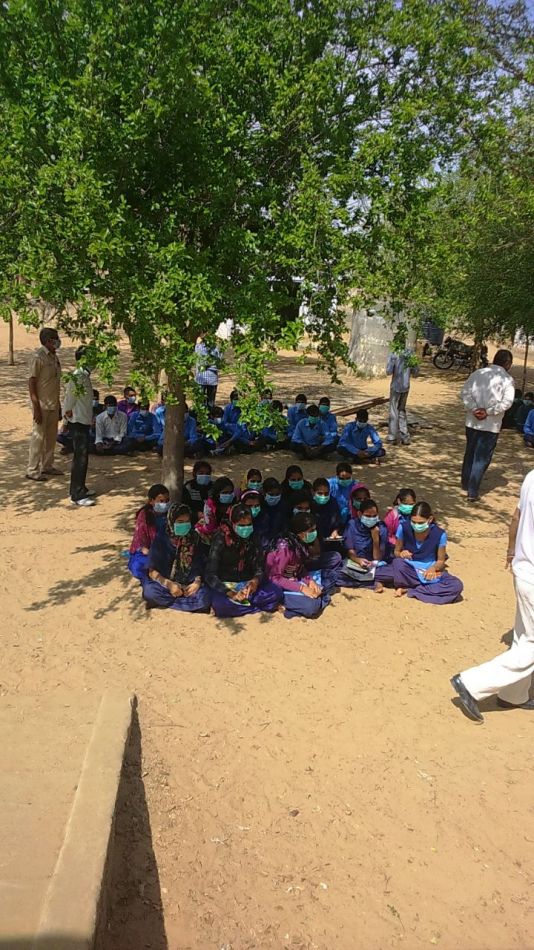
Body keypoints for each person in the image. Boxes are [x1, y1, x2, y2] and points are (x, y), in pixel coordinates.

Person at [451, 470, 534, 722]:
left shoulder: (531, 477)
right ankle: (471, 682)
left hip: (524, 570)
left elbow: (517, 516)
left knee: (524, 637)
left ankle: (514, 694)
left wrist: (511, 550)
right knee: (531, 644)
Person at [205, 504, 283, 618]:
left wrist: (255, 581)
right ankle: (259, 607)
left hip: (247, 585)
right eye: (241, 525)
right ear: (232, 523)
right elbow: (210, 574)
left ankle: (247, 606)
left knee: (276, 592)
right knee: (221, 605)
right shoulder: (221, 538)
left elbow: (259, 567)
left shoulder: (254, 536)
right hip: (226, 585)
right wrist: (230, 593)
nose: (246, 528)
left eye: (248, 525)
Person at [461, 349, 515, 502]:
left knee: (470, 452)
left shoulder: (478, 373)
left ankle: (465, 484)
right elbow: (507, 402)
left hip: (472, 422)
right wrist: (489, 412)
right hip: (491, 425)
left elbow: (465, 393)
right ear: (507, 364)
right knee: (482, 457)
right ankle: (472, 491)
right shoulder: (507, 380)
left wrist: (474, 409)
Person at [265, 512, 341, 619]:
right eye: (311, 531)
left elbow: (299, 568)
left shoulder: (299, 543)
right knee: (311, 607)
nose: (314, 533)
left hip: (296, 578)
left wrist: (310, 581)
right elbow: (274, 577)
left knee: (331, 576)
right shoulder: (284, 549)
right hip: (281, 585)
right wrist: (301, 588)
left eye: (314, 529)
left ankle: (318, 596)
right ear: (300, 533)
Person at [143, 504, 211, 612]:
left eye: (187, 521)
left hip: (188, 584)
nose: (184, 525)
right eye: (180, 522)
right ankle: (186, 604)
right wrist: (169, 585)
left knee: (205, 597)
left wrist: (196, 583)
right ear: (171, 522)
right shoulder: (162, 538)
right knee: (150, 592)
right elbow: (152, 571)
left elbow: (199, 564)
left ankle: (168, 602)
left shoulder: (194, 538)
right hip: (166, 583)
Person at [392, 501, 463, 604]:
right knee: (397, 563)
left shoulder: (439, 534)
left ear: (429, 519)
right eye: (413, 522)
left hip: (428, 572)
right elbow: (396, 552)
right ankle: (426, 589)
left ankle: (412, 589)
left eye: (420, 523)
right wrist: (401, 553)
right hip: (409, 568)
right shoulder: (403, 528)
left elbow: (441, 560)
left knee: (456, 585)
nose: (416, 525)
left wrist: (433, 568)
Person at [27, 326, 62, 482]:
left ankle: (47, 465)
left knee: (51, 437)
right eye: (55, 339)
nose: (58, 342)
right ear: (48, 341)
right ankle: (32, 470)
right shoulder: (38, 357)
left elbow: (55, 383)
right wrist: (36, 408)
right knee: (38, 438)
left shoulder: (54, 357)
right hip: (41, 406)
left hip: (53, 404)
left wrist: (59, 405)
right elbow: (32, 382)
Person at [63, 346, 96, 507]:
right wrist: (66, 416)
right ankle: (76, 494)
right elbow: (69, 399)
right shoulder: (77, 376)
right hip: (77, 422)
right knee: (80, 458)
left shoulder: (84, 376)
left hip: (84, 420)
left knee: (84, 457)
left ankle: (81, 487)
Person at [340, 498, 394, 592]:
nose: (371, 519)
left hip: (376, 566)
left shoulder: (382, 528)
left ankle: (369, 581)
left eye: (374, 516)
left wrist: (375, 539)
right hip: (357, 563)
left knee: (392, 572)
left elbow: (378, 558)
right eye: (368, 516)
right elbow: (350, 550)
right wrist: (358, 560)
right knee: (340, 571)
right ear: (360, 514)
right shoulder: (352, 524)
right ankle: (376, 582)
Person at [128, 484, 170, 580]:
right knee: (139, 567)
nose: (165, 504)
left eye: (167, 500)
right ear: (151, 501)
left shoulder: (170, 514)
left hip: (165, 550)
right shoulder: (144, 515)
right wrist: (151, 553)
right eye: (161, 501)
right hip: (147, 551)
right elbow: (140, 541)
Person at [386, 347, 419, 445]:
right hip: (406, 386)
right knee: (402, 410)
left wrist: (393, 362)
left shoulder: (394, 352)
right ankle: (405, 436)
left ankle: (392, 436)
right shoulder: (410, 353)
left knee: (393, 411)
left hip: (395, 386)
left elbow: (388, 371)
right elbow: (416, 371)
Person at [196, 477, 236, 542]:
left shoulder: (235, 503)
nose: (228, 495)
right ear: (217, 493)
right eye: (225, 493)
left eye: (230, 492)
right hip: (211, 530)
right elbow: (210, 526)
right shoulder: (210, 504)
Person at [255, 477, 285, 550]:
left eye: (277, 494)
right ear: (264, 493)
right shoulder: (258, 507)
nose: (275, 497)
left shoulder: (282, 507)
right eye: (271, 494)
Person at [311, 477, 343, 544]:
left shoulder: (333, 502)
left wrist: (335, 531)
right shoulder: (309, 504)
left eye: (326, 494)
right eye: (320, 493)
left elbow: (337, 522)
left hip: (329, 540)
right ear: (313, 492)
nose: (323, 496)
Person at [194, 337, 221, 407]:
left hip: (212, 380)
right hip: (201, 379)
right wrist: (211, 365)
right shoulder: (199, 346)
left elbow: (218, 364)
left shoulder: (216, 348)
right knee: (199, 405)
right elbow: (200, 362)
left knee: (210, 405)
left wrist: (206, 366)